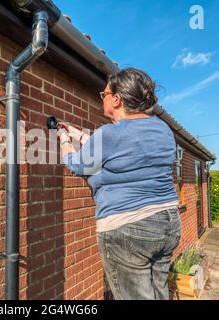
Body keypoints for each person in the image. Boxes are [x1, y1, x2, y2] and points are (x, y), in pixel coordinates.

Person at [57, 67, 181, 300]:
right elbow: (124, 149)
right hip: (168, 222)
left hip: (129, 227)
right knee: (158, 292)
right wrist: (81, 135)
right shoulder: (163, 130)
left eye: (103, 95)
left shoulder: (110, 134)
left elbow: (76, 164)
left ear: (116, 99)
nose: (101, 99)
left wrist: (65, 139)